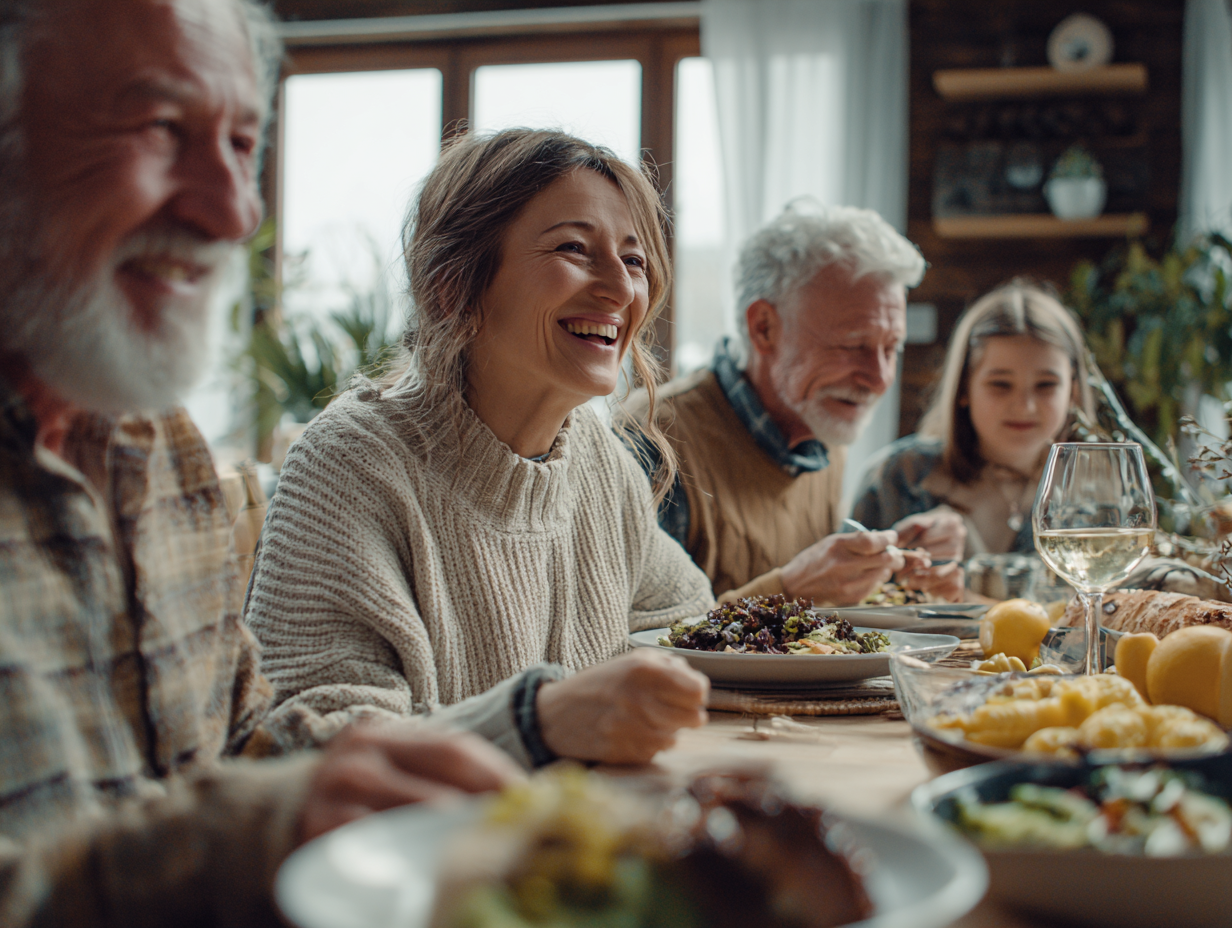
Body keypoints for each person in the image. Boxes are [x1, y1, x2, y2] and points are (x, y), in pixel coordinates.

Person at [0, 2, 521, 924]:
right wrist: (248, 833)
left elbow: (235, 740)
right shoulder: (358, 451)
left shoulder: (161, 444)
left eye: (243, 144)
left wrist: (427, 769)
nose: (233, 212)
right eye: (162, 129)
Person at [244, 128, 715, 770]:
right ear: (453, 284)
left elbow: (692, 624)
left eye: (633, 260)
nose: (620, 288)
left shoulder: (602, 463)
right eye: (574, 248)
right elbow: (304, 742)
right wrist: (533, 723)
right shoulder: (350, 463)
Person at [621, 204, 966, 606]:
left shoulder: (821, 419)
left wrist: (899, 573)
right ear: (763, 327)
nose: (879, 378)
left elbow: (812, 624)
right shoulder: (652, 440)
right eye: (851, 345)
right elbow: (630, 642)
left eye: (892, 349)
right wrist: (788, 591)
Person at [852, 282, 1096, 556]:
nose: (1025, 406)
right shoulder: (901, 479)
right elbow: (838, 588)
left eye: (1046, 385)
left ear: (1073, 392)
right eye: (1001, 384)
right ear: (964, 387)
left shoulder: (1094, 492)